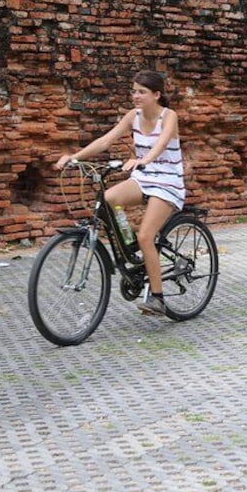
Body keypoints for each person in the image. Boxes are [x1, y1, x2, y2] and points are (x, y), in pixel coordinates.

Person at [54, 70, 184, 316]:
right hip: (144, 177)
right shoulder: (132, 116)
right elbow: (105, 141)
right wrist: (74, 157)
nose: (136, 96)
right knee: (109, 199)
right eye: (134, 91)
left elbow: (162, 143)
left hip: (168, 183)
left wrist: (143, 159)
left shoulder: (169, 116)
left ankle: (158, 299)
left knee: (147, 235)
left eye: (142, 92)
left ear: (156, 95)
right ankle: (129, 244)